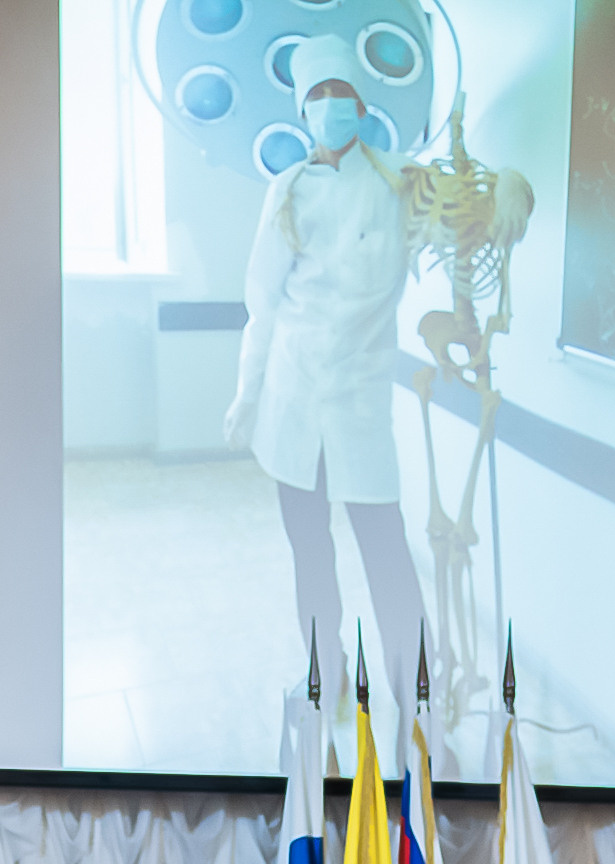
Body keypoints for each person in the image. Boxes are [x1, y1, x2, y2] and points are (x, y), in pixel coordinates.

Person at [224, 33, 428, 736]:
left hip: (360, 404)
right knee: (310, 551)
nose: (333, 107)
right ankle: (327, 675)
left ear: (363, 104)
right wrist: (248, 393)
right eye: (320, 96)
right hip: (293, 399)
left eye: (343, 94)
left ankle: (417, 696)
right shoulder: (287, 191)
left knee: (386, 551)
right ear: (303, 110)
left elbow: (460, 220)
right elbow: (264, 301)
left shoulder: (402, 182)